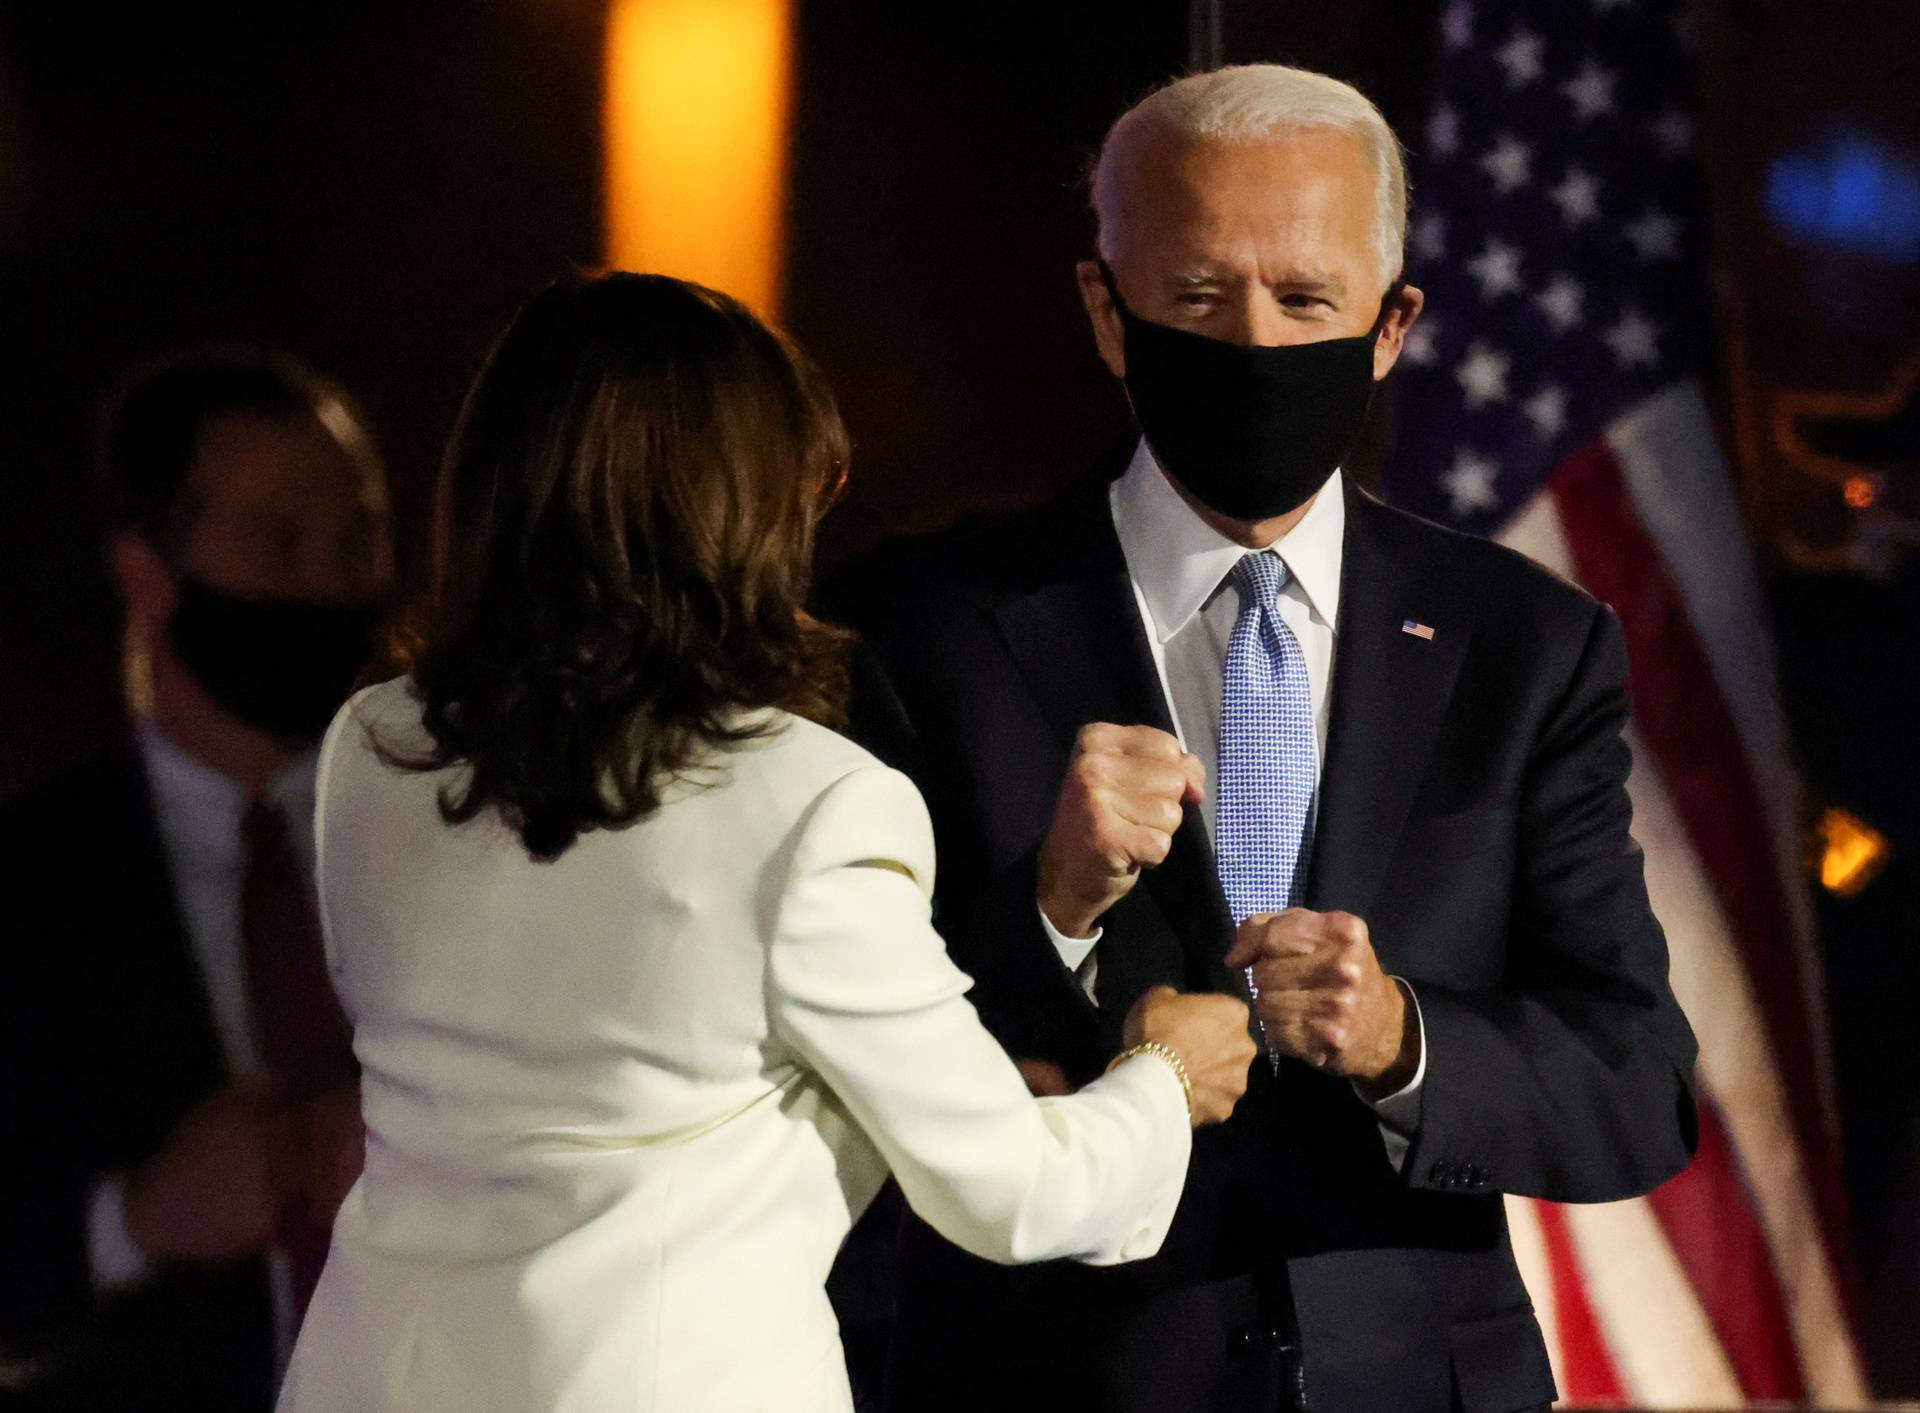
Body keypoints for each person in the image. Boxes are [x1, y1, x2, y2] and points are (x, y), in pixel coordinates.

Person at [836, 65, 1700, 1413]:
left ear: (1393, 323)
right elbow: (852, 1064)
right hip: (1054, 1379)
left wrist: (1403, 1037)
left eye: (1303, 301)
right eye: (1196, 296)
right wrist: (1050, 911)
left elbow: (1633, 1084)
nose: (1251, 343)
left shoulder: (1530, 648)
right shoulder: (923, 629)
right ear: (1105, 314)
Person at [271, 271, 1256, 1413]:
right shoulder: (812, 801)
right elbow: (1013, 1191)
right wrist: (1168, 1077)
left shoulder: (372, 746)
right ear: (738, 515)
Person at [0, 350, 392, 1410]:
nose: (328, 583)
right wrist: (137, 1220)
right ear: (146, 572)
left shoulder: (468, 827)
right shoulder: (29, 880)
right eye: (277, 543)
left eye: (357, 540)